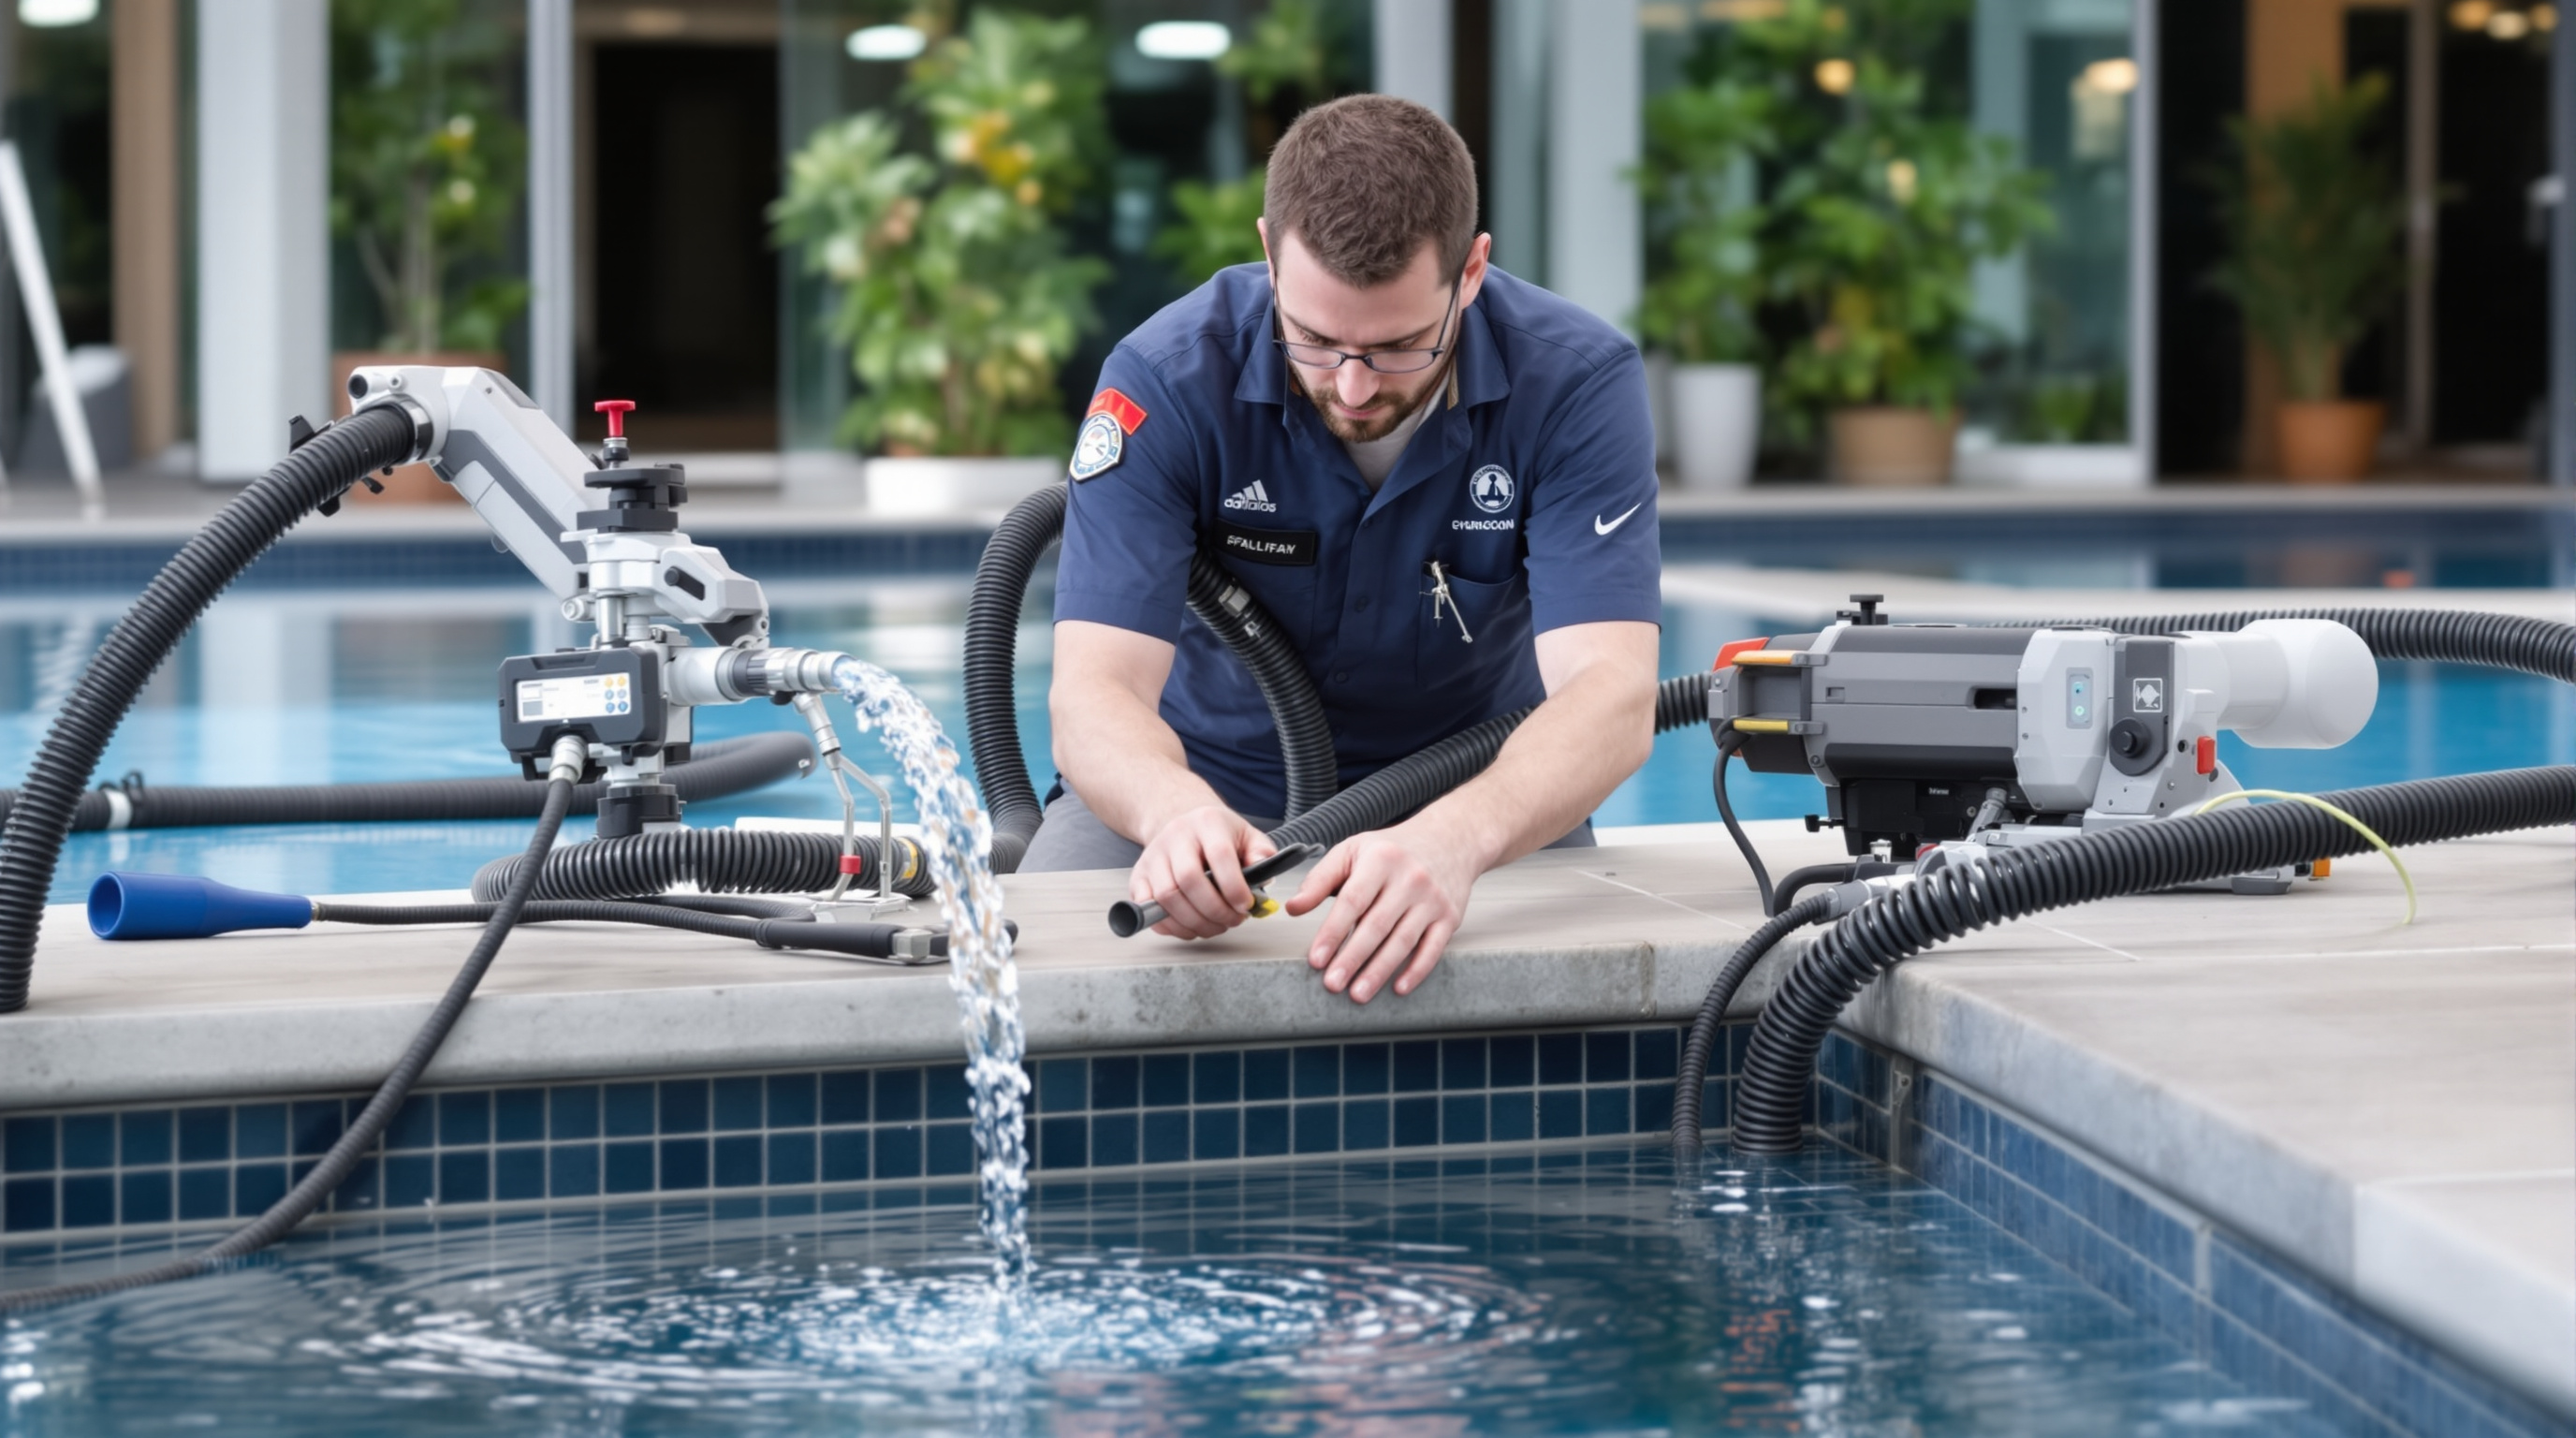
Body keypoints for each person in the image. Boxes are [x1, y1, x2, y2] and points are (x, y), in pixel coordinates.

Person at [1026, 94, 1661, 1005]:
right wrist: (1174, 813)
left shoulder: (1576, 383)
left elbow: (1613, 693)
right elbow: (1094, 690)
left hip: (1478, 796)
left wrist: (1457, 838)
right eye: (1315, 340)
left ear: (1472, 272)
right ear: (1268, 253)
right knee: (1037, 990)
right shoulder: (1162, 376)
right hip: (1202, 789)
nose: (1354, 387)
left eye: (1400, 345)